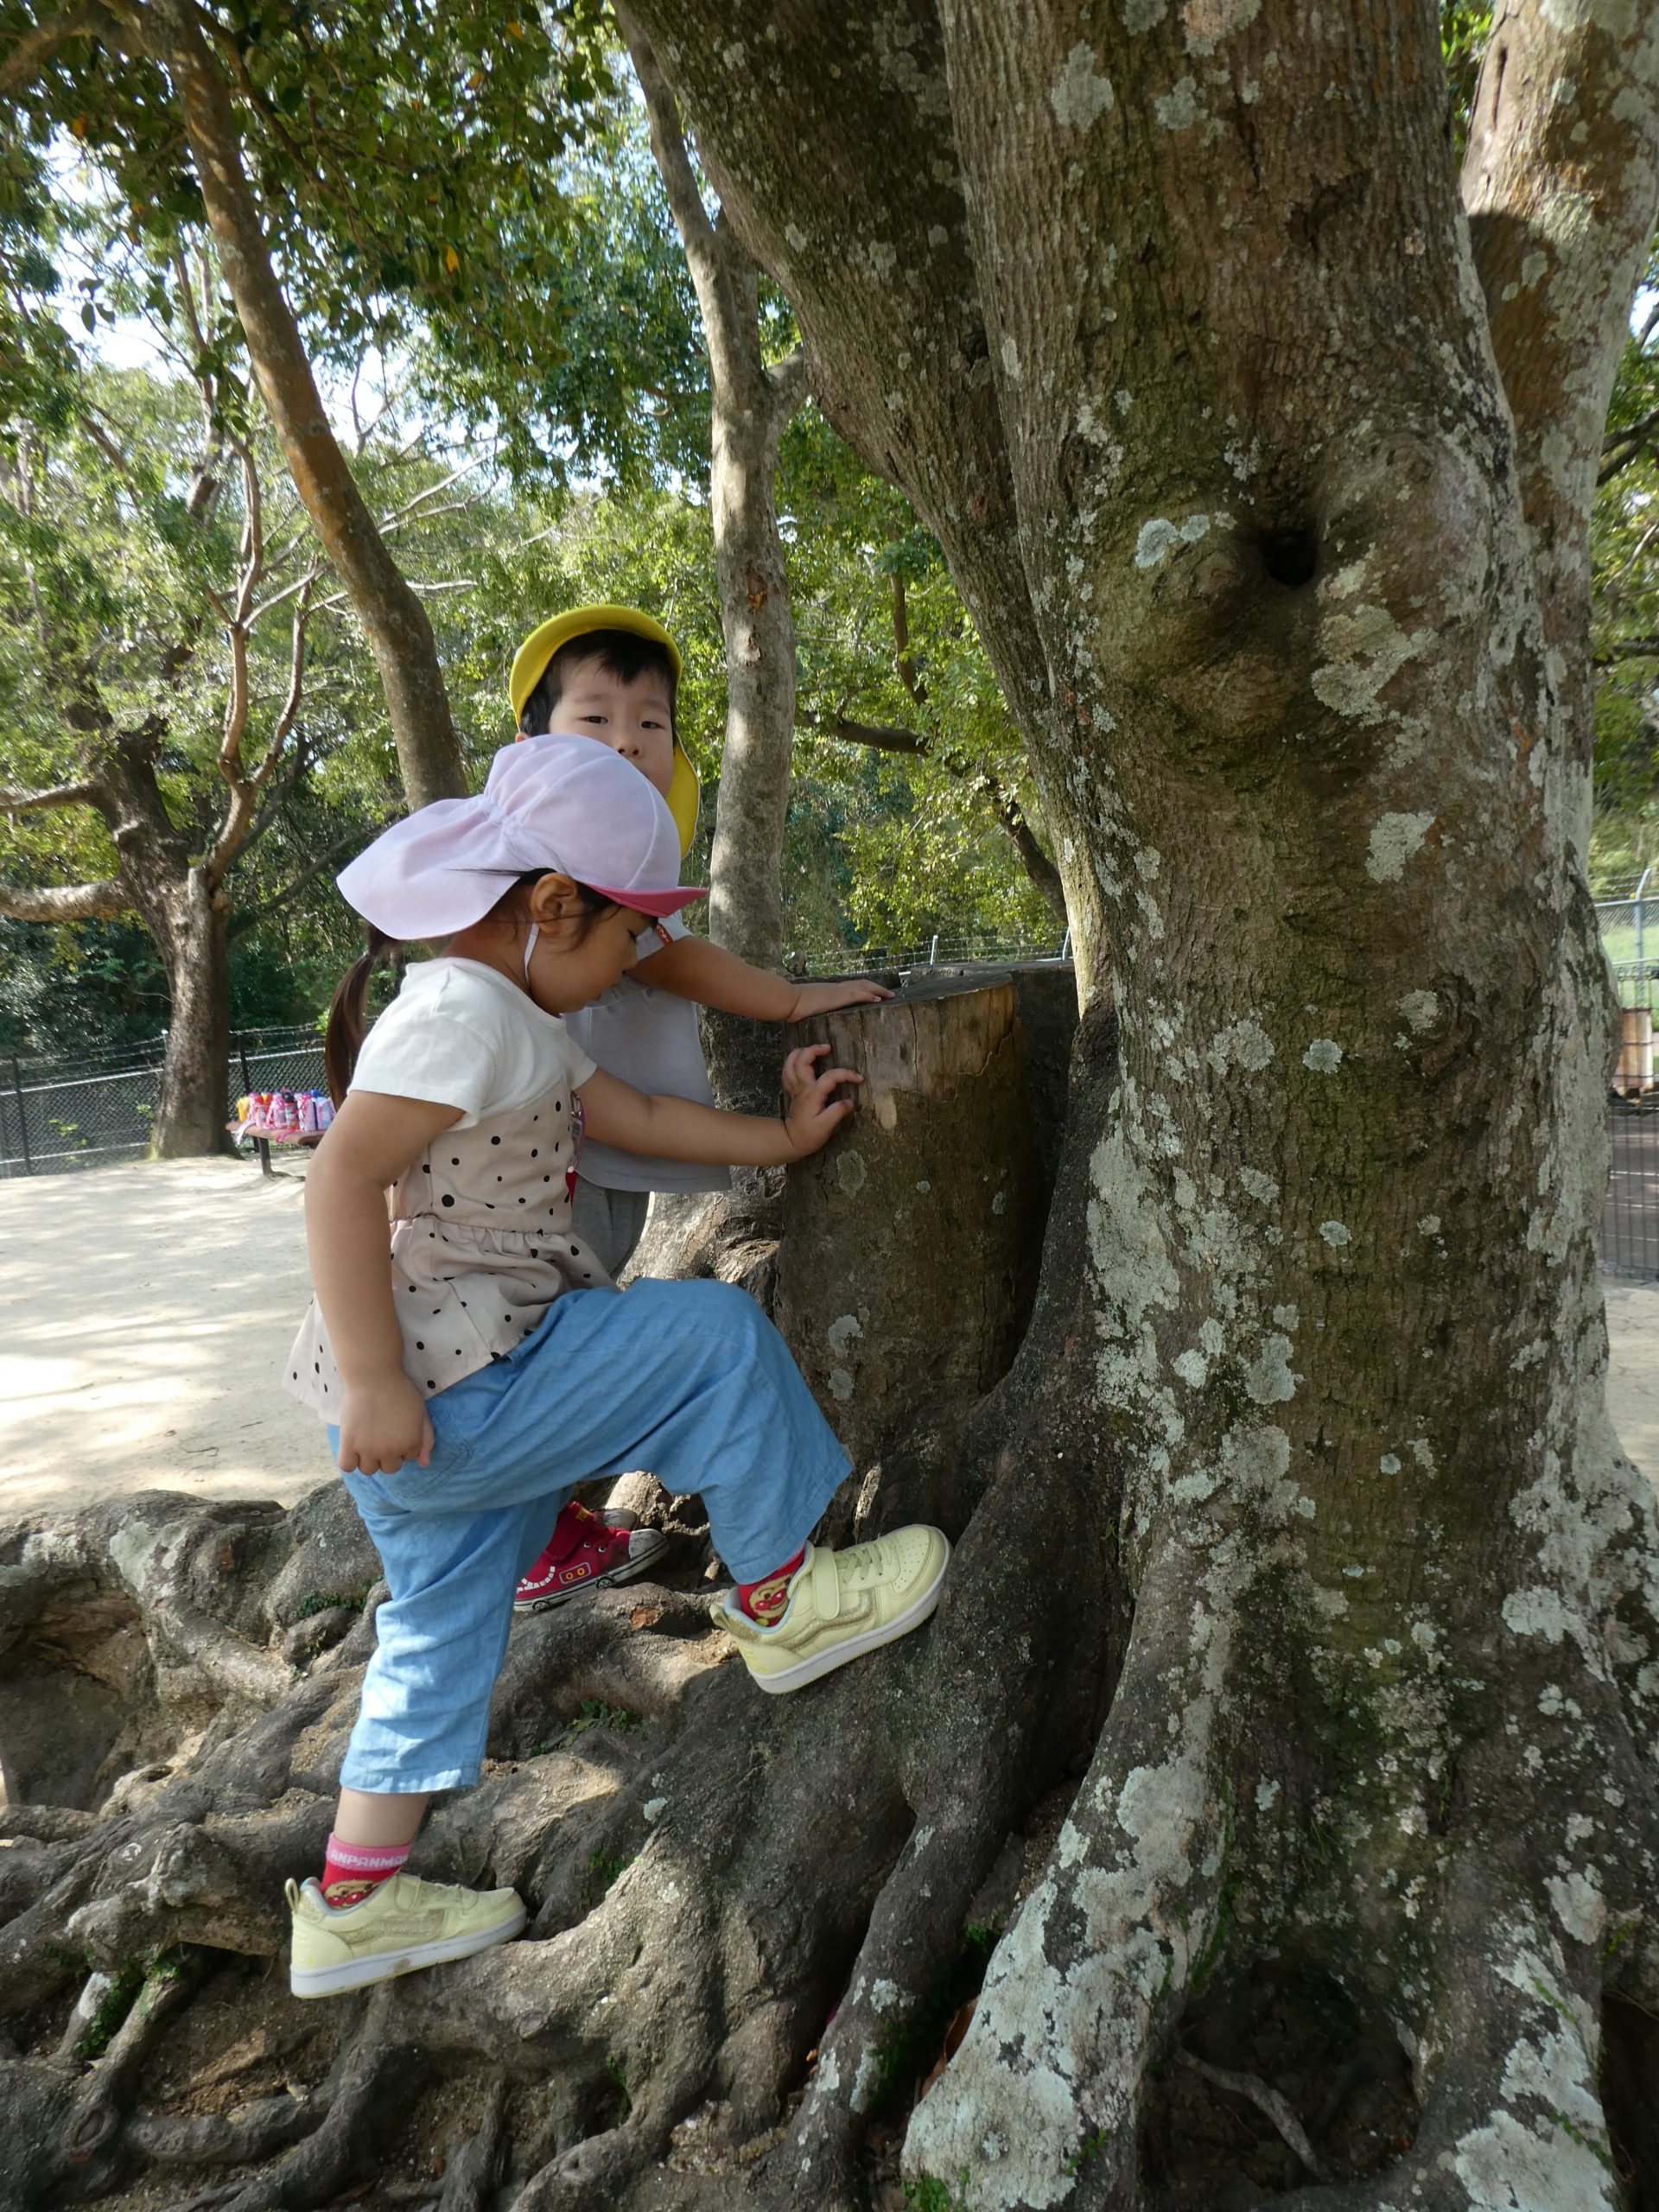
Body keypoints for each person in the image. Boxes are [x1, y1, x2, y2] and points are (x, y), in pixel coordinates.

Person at [281, 734, 948, 1998]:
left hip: (431, 1421)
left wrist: (780, 1139)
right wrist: (374, 1379)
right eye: (628, 934)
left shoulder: (516, 1011)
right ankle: (783, 1599)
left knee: (434, 1632)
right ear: (548, 907)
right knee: (712, 1338)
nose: (637, 959)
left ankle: (354, 1902)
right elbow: (341, 1178)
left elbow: (632, 1117)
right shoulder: (460, 1014)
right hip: (455, 1388)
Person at [505, 605, 892, 1615]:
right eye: (596, 718)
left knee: (569, 1325)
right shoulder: (537, 889)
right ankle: (538, 1542)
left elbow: (671, 956)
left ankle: (542, 1528)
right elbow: (638, 1078)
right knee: (552, 1336)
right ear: (533, 741)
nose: (627, 741)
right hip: (551, 1179)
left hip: (593, 1166)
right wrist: (784, 1091)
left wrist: (793, 1000)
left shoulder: (613, 872)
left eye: (651, 723)